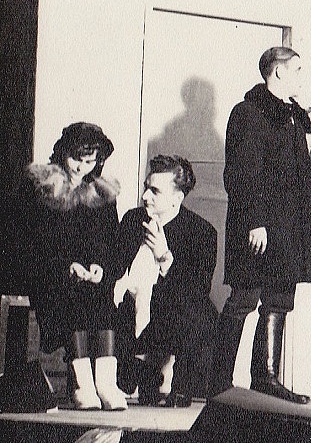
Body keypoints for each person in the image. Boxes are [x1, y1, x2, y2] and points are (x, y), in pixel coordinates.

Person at [210, 46, 311, 404]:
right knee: (244, 298)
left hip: (289, 227)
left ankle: (265, 378)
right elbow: (241, 173)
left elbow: (291, 175)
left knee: (279, 299)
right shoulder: (248, 112)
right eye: (297, 70)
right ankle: (217, 382)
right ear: (278, 72)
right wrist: (255, 221)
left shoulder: (292, 116)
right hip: (260, 225)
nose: (302, 78)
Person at [16, 122, 127, 410]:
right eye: (76, 159)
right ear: (63, 152)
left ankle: (106, 383)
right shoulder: (43, 189)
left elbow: (110, 243)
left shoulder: (102, 194)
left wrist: (101, 268)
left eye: (89, 162)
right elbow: (32, 244)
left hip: (89, 279)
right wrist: (66, 267)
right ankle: (82, 383)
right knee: (76, 298)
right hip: (51, 277)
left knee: (101, 297)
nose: (81, 168)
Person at [110, 155, 217, 407]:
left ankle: (176, 382)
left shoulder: (201, 232)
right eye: (146, 187)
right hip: (126, 316)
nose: (145, 196)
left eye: (155, 191)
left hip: (166, 322)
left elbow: (197, 292)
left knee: (202, 312)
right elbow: (114, 268)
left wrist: (164, 257)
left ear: (177, 198)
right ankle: (138, 372)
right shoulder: (132, 220)